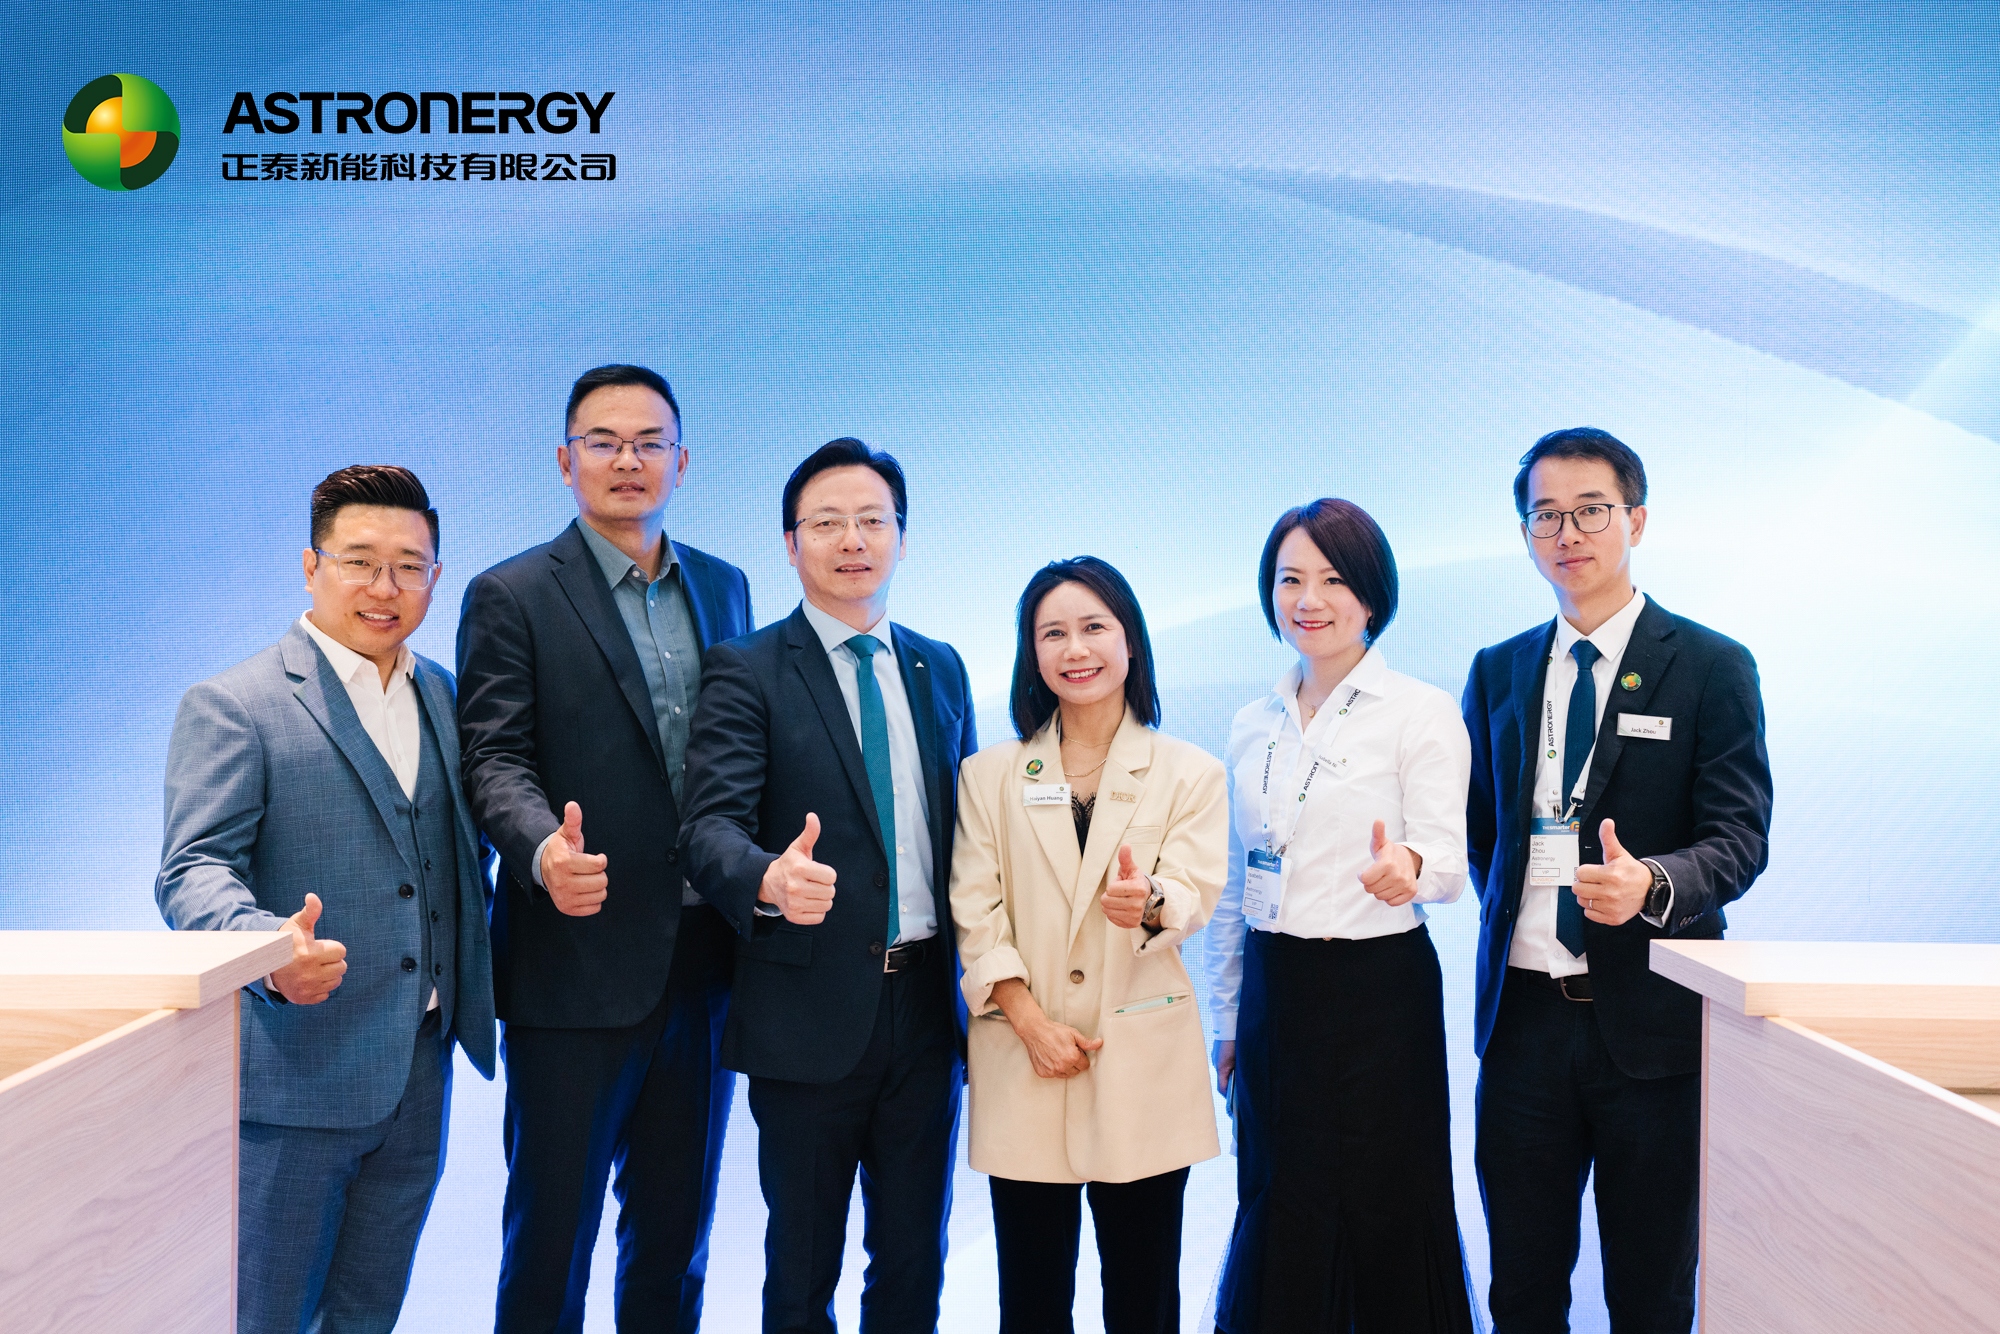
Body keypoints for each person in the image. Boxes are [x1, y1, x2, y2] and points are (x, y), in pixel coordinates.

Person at [156, 465, 496, 1334]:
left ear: (435, 577)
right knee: (264, 1318)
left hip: (419, 1070)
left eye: (409, 567)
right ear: (311, 566)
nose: (385, 587)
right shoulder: (236, 705)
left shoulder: (444, 695)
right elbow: (192, 869)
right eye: (360, 562)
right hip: (297, 1079)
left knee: (368, 1315)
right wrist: (270, 952)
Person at [457, 364, 752, 1333]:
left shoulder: (724, 587)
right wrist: (543, 850)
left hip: (702, 968)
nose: (628, 460)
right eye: (604, 441)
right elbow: (493, 757)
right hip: (572, 967)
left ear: (681, 460)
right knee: (551, 1245)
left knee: (675, 1243)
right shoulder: (510, 593)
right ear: (565, 459)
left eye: (648, 442)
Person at [1463, 427, 1773, 1333]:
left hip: (1651, 1030)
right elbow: (1486, 836)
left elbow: (1739, 837)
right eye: (1546, 516)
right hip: (1522, 1027)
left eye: (1591, 510)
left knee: (1651, 1293)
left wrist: (1653, 885)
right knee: (1523, 1291)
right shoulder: (1498, 669)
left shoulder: (1711, 665)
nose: (1569, 534)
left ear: (1636, 520)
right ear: (1527, 535)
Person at [680, 438, 977, 1334]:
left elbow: (971, 836)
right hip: (807, 1016)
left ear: (901, 537)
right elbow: (706, 830)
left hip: (926, 1011)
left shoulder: (939, 665)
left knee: (914, 1260)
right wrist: (768, 877)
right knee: (803, 1267)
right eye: (827, 523)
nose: (853, 541)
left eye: (872, 521)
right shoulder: (748, 668)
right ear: (790, 542)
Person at [1205, 499, 1477, 1332]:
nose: (1309, 599)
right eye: (1290, 579)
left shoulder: (1419, 709)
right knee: (1281, 1193)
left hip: (1377, 992)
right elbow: (1236, 884)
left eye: (1332, 579)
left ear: (1371, 594)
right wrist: (1227, 1020)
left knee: (1382, 1204)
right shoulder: (1252, 723)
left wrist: (1409, 868)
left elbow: (1449, 859)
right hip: (1276, 992)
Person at [950, 556, 1226, 1334]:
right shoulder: (988, 775)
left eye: (1094, 627)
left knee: (1144, 1299)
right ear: (1031, 653)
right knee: (1031, 1302)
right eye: (1054, 633)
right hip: (1022, 1058)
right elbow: (975, 909)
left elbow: (1192, 892)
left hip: (1140, 1065)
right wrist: (1029, 1022)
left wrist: (1148, 901)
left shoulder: (1190, 772)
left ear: (1129, 640)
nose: (1076, 649)